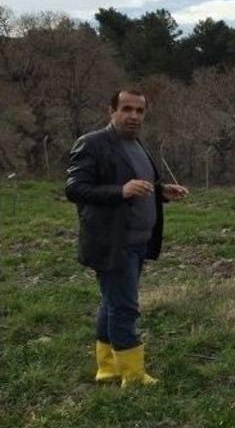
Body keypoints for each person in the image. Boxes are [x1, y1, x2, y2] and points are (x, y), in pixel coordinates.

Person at [65, 90, 189, 387]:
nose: (134, 116)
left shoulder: (136, 144)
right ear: (112, 110)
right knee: (125, 306)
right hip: (112, 241)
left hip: (138, 240)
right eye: (126, 109)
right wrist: (120, 191)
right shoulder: (93, 143)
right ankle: (132, 377)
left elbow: (141, 184)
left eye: (139, 111)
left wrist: (161, 191)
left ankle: (107, 368)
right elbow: (75, 189)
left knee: (112, 302)